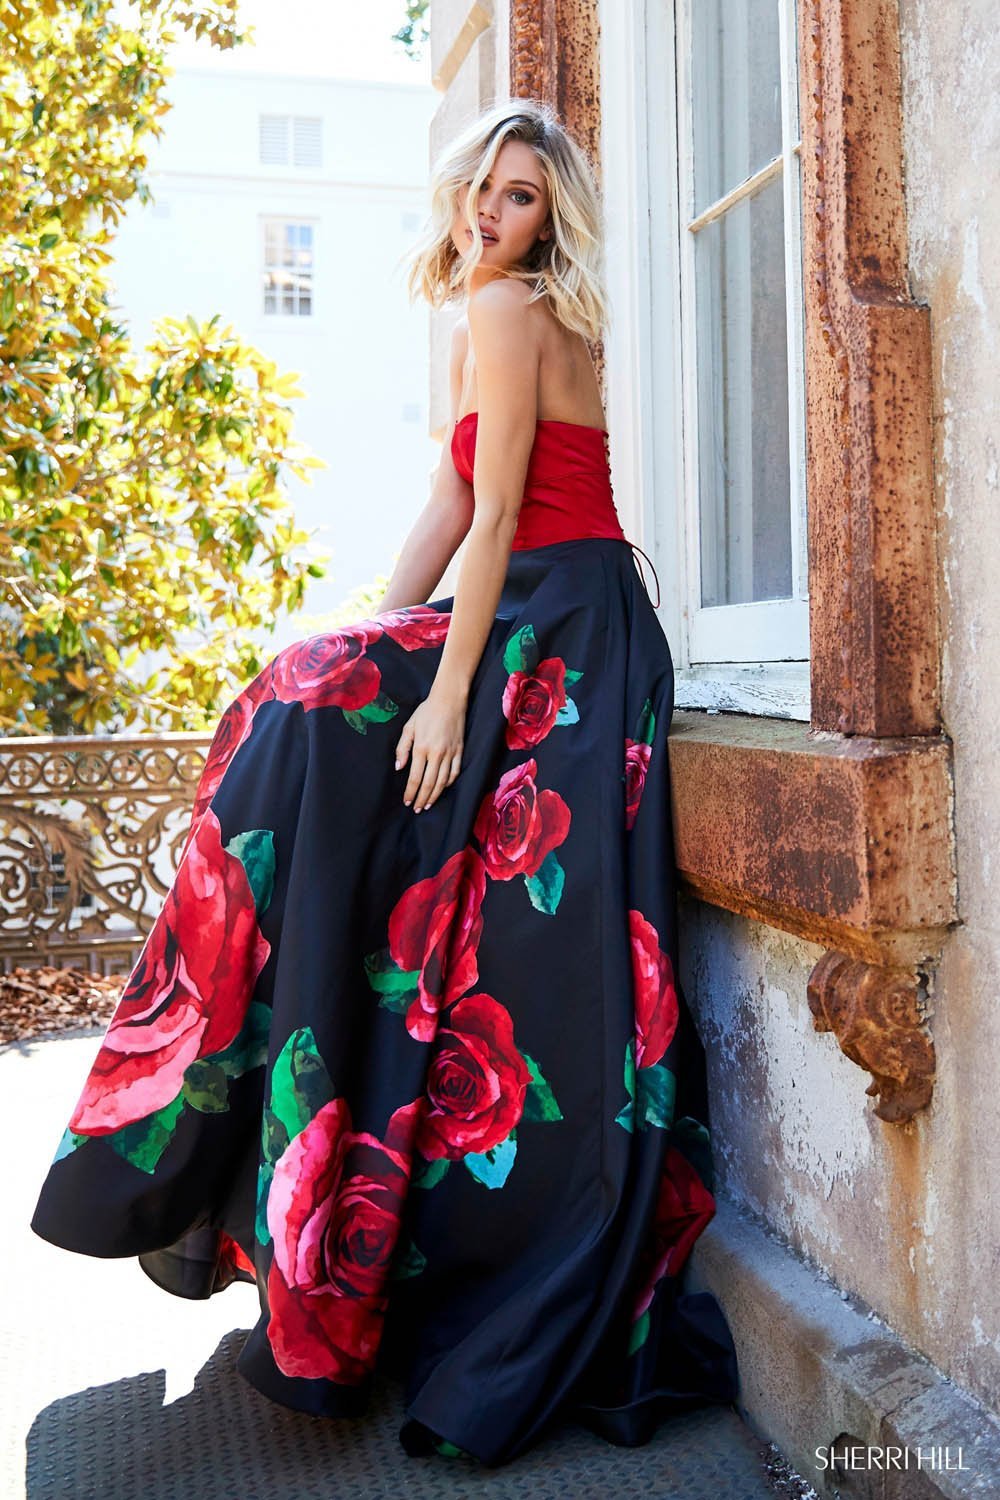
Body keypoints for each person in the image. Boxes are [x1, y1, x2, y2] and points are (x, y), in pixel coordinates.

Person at [29, 97, 739, 1467]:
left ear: (551, 218)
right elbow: (446, 498)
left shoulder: (515, 312)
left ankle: (193, 1114)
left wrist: (444, 694)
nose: (492, 211)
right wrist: (369, 642)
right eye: (482, 185)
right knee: (307, 694)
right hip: (553, 612)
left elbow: (501, 514)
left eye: (521, 195)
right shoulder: (500, 310)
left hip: (560, 631)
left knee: (304, 729)